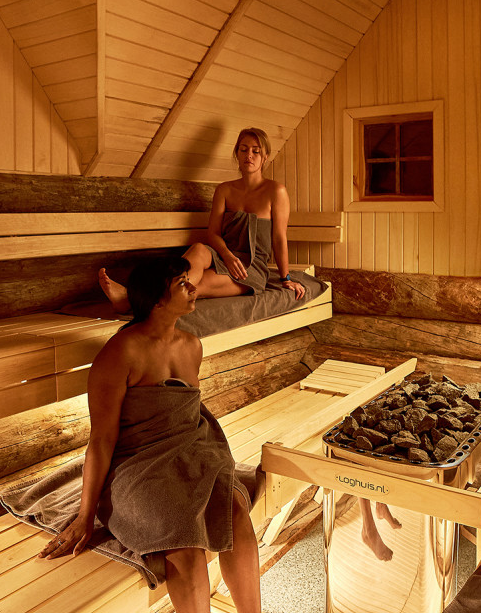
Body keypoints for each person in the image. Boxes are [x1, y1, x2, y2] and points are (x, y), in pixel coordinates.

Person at [34, 257, 261, 613]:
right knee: (183, 538)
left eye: (190, 280)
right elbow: (102, 439)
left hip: (191, 446)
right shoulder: (119, 354)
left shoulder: (191, 345)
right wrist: (85, 514)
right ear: (157, 301)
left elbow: (186, 413)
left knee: (234, 512)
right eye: (182, 283)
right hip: (138, 463)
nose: (193, 288)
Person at [99, 127, 306, 311]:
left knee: (196, 286)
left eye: (255, 151)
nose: (249, 155)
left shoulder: (275, 191)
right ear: (237, 153)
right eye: (243, 150)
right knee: (198, 248)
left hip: (250, 268)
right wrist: (227, 256)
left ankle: (130, 300)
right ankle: (135, 297)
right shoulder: (225, 190)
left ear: (265, 157)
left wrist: (285, 278)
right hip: (223, 254)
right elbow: (213, 233)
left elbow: (279, 238)